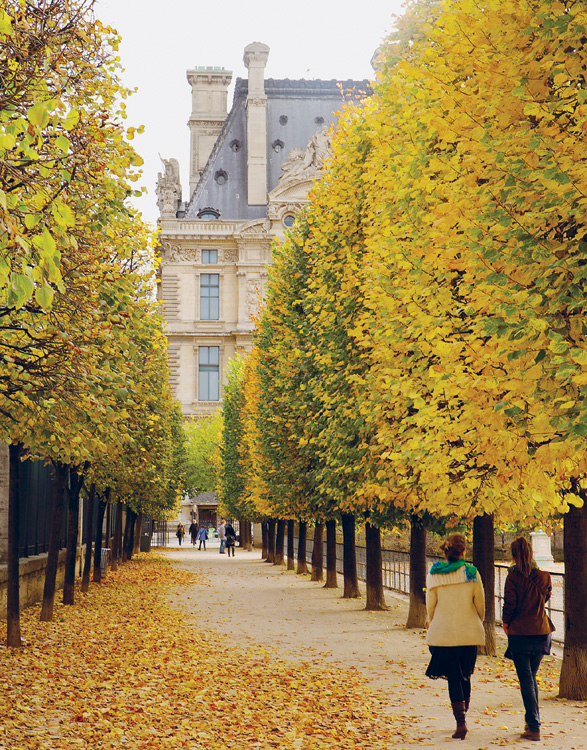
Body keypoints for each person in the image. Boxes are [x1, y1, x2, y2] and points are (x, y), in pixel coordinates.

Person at [425, 533, 485, 740]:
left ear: (447, 551)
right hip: (469, 632)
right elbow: (481, 606)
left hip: (445, 633)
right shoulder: (471, 573)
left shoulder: (434, 574)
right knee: (465, 673)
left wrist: (432, 620)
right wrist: (477, 619)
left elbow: (430, 606)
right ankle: (464, 712)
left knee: (453, 676)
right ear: (463, 551)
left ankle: (460, 723)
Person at [502, 537, 555, 742]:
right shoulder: (544, 576)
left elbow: (510, 605)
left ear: (513, 555)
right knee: (531, 678)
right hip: (541, 632)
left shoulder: (512, 578)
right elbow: (546, 597)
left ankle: (534, 726)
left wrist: (506, 623)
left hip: (521, 634)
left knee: (526, 680)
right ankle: (531, 722)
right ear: (531, 553)